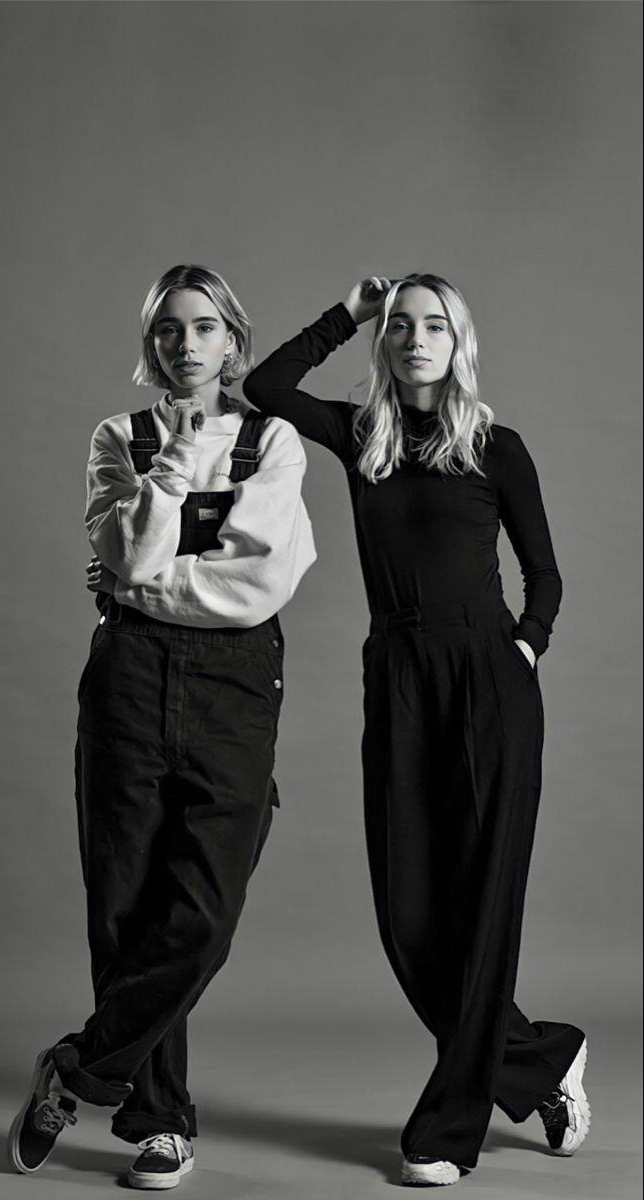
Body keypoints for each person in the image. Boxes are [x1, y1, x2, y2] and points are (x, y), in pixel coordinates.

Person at [243, 274, 590, 1187]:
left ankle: (445, 1130)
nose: (414, 337)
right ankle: (539, 1059)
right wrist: (347, 312)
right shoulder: (364, 436)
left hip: (486, 680)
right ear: (384, 341)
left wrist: (524, 646)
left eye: (433, 325)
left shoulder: (495, 447)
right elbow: (266, 388)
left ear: (457, 342)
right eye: (399, 325)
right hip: (397, 674)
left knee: (479, 907)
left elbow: (544, 574)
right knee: (409, 913)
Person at [8, 264, 316, 1190]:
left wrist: (147, 573)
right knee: (125, 907)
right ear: (152, 343)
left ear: (233, 340)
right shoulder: (120, 437)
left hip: (235, 681)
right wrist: (177, 468)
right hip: (130, 678)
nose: (187, 345)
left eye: (205, 327)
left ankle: (76, 1070)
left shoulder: (272, 440)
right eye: (170, 329)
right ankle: (159, 1121)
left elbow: (257, 585)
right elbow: (130, 553)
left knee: (203, 912)